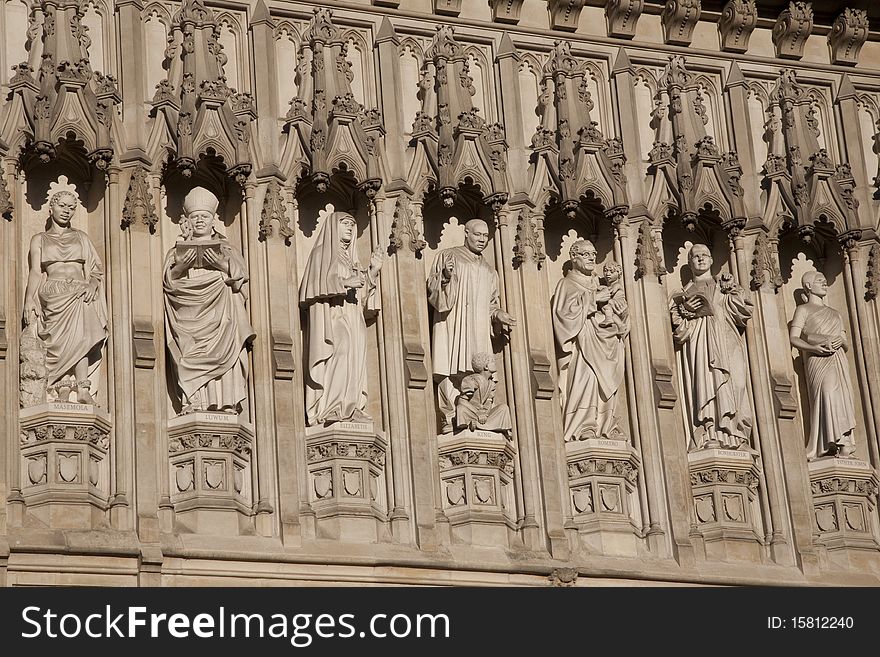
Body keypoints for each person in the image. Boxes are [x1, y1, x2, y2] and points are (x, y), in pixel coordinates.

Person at [163, 187, 255, 415]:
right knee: (188, 354)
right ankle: (194, 402)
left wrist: (222, 265)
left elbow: (241, 283)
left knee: (223, 350)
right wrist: (181, 267)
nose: (200, 221)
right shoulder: (176, 252)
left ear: (214, 220)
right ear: (188, 221)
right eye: (195, 217)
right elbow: (168, 282)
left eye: (204, 216)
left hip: (221, 314)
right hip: (188, 313)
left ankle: (224, 403)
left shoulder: (227, 249)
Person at [427, 219, 516, 432]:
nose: (482, 240)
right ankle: (449, 416)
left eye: (486, 236)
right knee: (450, 369)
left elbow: (491, 304)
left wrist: (498, 314)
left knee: (479, 371)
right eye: (478, 235)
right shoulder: (449, 256)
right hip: (454, 326)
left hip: (478, 331)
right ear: (466, 234)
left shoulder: (489, 270)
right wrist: (446, 278)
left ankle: (480, 412)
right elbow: (434, 292)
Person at [22, 189, 108, 404]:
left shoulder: (81, 237)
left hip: (79, 291)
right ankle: (61, 386)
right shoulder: (39, 239)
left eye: (71, 207)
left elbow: (97, 268)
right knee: (57, 342)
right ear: (51, 208)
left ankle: (82, 388)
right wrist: (29, 299)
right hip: (54, 293)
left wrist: (92, 283)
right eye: (62, 206)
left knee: (81, 338)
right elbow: (35, 271)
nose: (66, 211)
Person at [300, 211, 384, 426]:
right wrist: (345, 282)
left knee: (354, 359)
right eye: (345, 224)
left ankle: (350, 406)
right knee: (341, 350)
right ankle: (331, 406)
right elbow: (312, 289)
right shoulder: (321, 254)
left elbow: (363, 301)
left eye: (352, 225)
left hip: (353, 316)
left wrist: (372, 273)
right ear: (333, 227)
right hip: (333, 316)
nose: (349, 228)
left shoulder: (352, 259)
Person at [670, 244, 753, 451]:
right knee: (707, 385)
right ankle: (710, 434)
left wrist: (733, 290)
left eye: (705, 255)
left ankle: (736, 435)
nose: (700, 259)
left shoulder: (723, 285)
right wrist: (685, 310)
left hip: (728, 342)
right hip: (701, 345)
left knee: (737, 385)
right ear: (689, 262)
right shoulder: (684, 292)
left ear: (712, 260)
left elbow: (743, 312)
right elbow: (679, 328)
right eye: (695, 256)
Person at [552, 240, 628, 442]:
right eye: (586, 254)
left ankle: (606, 425)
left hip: (606, 342)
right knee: (586, 380)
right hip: (583, 343)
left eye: (593, 254)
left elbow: (619, 315)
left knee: (606, 383)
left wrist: (621, 315)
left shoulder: (600, 284)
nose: (592, 258)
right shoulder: (566, 284)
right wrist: (594, 300)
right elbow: (563, 316)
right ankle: (583, 425)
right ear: (573, 258)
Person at [789, 271, 856, 460]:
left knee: (841, 398)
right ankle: (826, 442)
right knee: (826, 394)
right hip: (817, 359)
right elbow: (794, 338)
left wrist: (837, 341)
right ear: (808, 286)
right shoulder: (803, 310)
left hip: (837, 358)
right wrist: (813, 347)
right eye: (820, 281)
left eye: (825, 281)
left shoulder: (835, 313)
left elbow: (846, 343)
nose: (825, 284)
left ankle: (844, 441)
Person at [454, 352, 512, 437]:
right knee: (461, 409)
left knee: (504, 408)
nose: (495, 363)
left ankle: (478, 425)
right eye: (492, 361)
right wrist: (478, 413)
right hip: (472, 412)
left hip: (484, 415)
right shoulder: (471, 380)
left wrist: (485, 414)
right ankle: (473, 423)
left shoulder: (491, 384)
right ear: (486, 367)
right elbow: (461, 401)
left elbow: (489, 402)